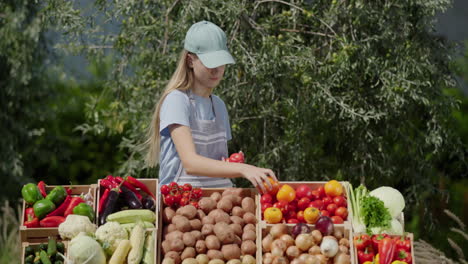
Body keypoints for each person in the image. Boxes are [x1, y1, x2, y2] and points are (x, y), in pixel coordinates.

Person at [145, 21, 276, 192]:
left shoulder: (219, 105)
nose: (216, 69)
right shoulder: (177, 101)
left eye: (220, 62)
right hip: (180, 202)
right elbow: (190, 163)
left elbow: (215, 163)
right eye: (210, 62)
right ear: (190, 61)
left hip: (217, 201)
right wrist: (243, 169)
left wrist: (232, 163)